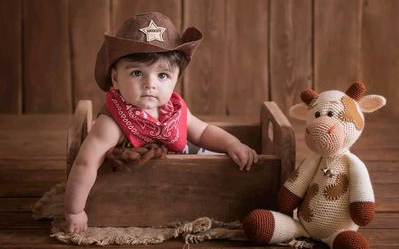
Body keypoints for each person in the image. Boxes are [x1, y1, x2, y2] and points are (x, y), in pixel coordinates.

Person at [64, 12, 258, 233]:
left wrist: (232, 144)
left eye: (163, 75)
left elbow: (203, 132)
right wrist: (74, 210)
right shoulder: (112, 121)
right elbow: (85, 164)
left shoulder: (172, 110)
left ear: (176, 78)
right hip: (136, 197)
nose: (150, 84)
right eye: (137, 73)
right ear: (116, 79)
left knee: (212, 160)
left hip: (186, 190)